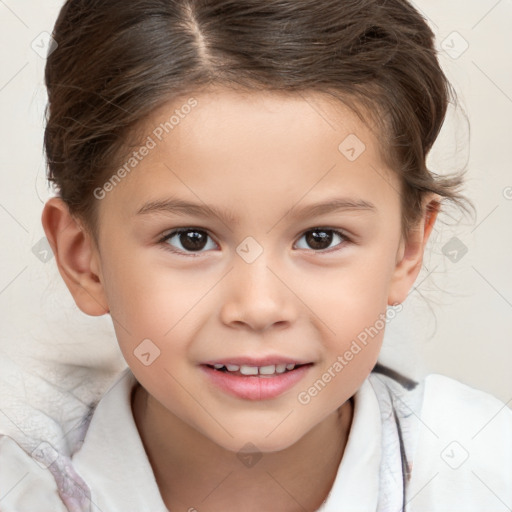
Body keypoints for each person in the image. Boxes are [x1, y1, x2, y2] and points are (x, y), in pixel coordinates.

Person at [0, 0, 511, 511]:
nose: (259, 306)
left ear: (408, 248)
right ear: (82, 258)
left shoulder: (485, 476)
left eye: (320, 238)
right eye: (191, 239)